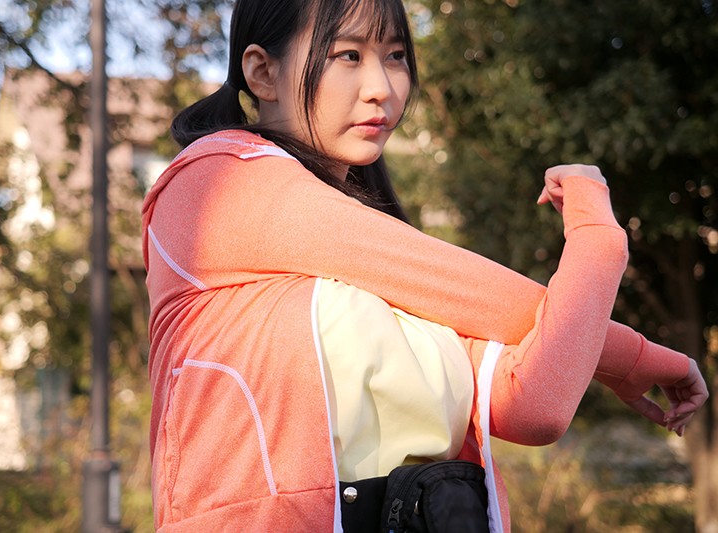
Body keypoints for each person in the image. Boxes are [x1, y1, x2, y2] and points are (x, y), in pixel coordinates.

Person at [141, 0, 708, 531]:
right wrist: (635, 358)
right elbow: (495, 298)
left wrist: (596, 235)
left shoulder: (400, 288)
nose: (382, 88)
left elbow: (539, 406)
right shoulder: (215, 183)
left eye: (395, 56)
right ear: (263, 73)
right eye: (348, 55)